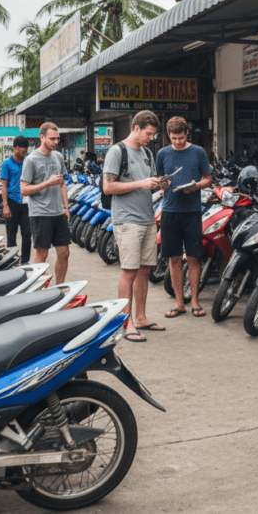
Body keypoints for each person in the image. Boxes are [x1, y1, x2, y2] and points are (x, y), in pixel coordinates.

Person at [103, 111, 169, 342]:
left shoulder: (148, 153)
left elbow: (147, 184)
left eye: (153, 134)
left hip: (148, 218)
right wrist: (141, 183)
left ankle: (140, 317)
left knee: (144, 270)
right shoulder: (117, 151)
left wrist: (159, 183)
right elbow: (108, 187)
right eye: (148, 134)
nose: (151, 138)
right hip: (127, 219)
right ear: (136, 128)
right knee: (129, 271)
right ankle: (125, 321)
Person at [156, 116, 213, 318]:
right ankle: (179, 303)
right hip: (169, 211)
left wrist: (196, 186)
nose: (178, 142)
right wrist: (162, 184)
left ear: (187, 133)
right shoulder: (162, 153)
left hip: (192, 212)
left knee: (193, 257)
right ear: (168, 136)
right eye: (174, 138)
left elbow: (208, 179)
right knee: (174, 259)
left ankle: (195, 301)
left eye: (181, 137)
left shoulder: (198, 152)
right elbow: (158, 179)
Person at [21, 123, 70, 284]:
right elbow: (24, 189)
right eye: (52, 139)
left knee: (64, 253)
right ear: (42, 137)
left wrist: (66, 207)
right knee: (42, 254)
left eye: (57, 138)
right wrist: (47, 183)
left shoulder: (58, 157)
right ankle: (39, 290)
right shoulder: (31, 160)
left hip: (58, 212)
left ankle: (59, 287)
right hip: (40, 213)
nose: (56, 142)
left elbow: (62, 183)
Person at [0, 135, 31, 265]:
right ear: (15, 149)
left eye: (25, 151)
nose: (23, 153)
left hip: (26, 202)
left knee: (27, 233)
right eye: (21, 150)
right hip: (12, 201)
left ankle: (25, 261)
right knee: (11, 233)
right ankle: (12, 260)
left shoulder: (28, 162)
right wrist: (5, 206)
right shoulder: (6, 164)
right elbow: (4, 186)